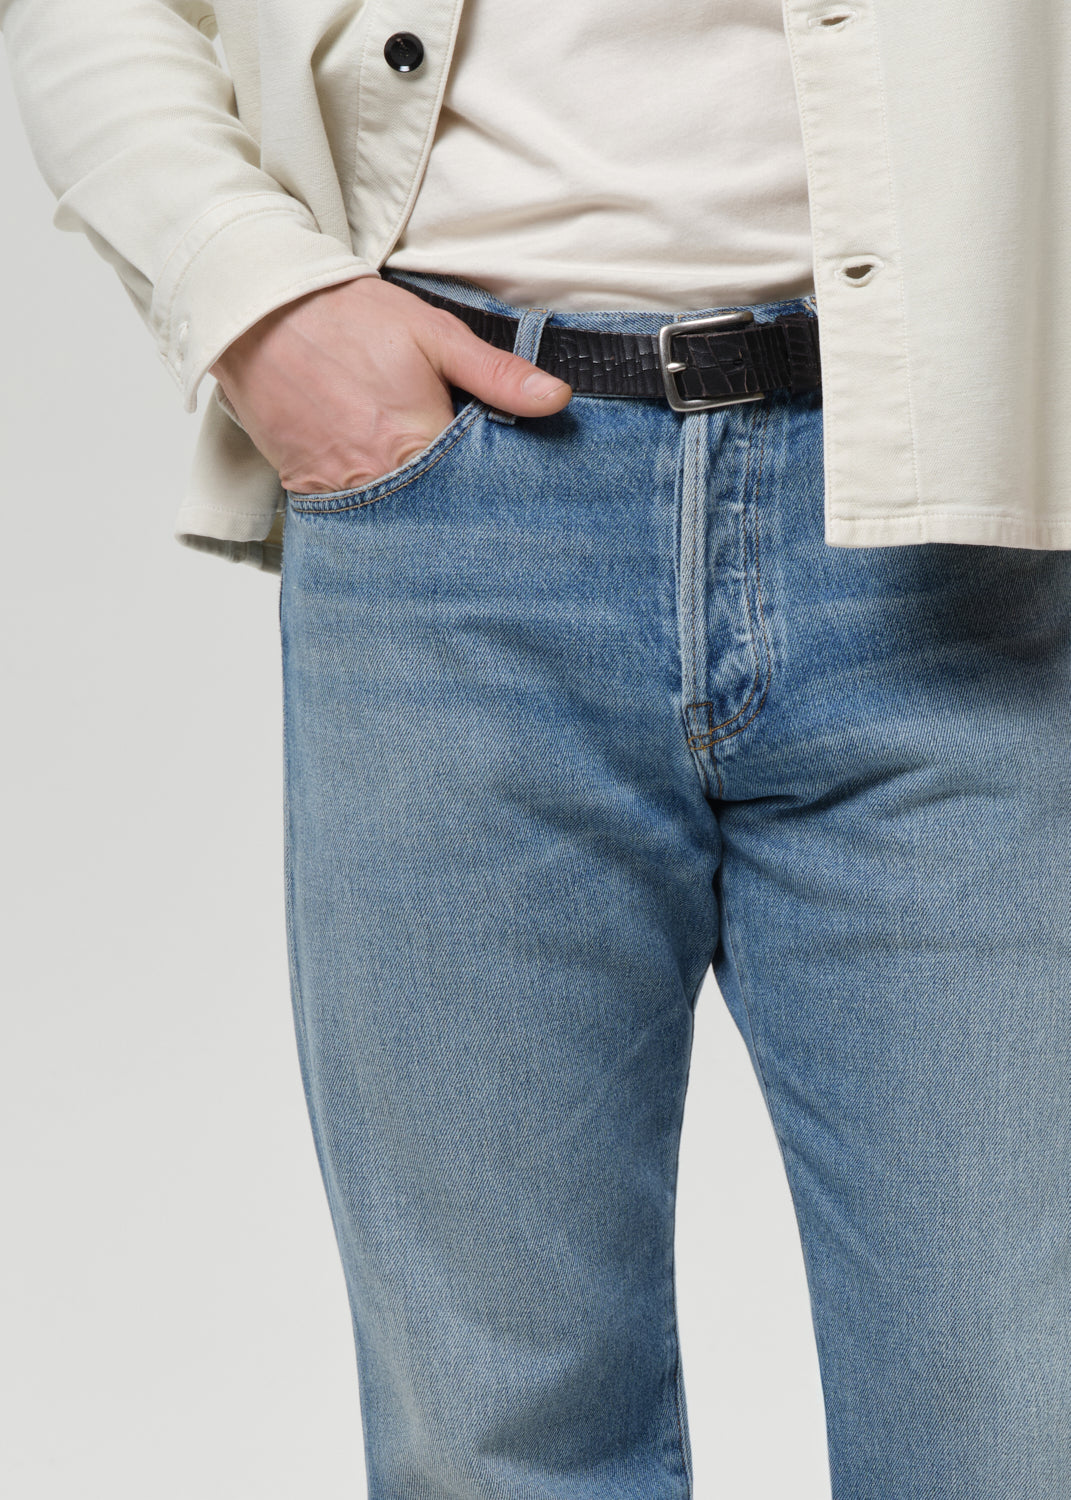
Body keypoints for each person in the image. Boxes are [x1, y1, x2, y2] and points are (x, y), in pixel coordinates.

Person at [3, 1, 1070, 1496]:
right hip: (464, 510)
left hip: (971, 501)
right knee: (502, 1446)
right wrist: (250, 289)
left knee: (1024, 1427)